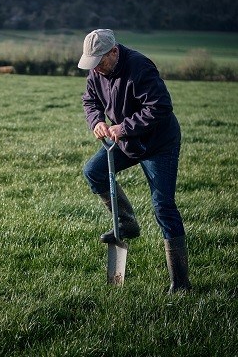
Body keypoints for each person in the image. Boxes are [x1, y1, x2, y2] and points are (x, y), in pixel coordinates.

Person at [78, 29, 191, 293]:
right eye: (92, 63)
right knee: (93, 172)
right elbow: (90, 100)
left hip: (158, 143)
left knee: (163, 206)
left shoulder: (140, 67)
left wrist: (124, 127)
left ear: (114, 52)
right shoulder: (97, 70)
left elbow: (160, 108)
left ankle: (181, 282)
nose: (96, 68)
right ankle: (126, 222)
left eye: (100, 62)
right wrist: (97, 121)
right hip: (126, 142)